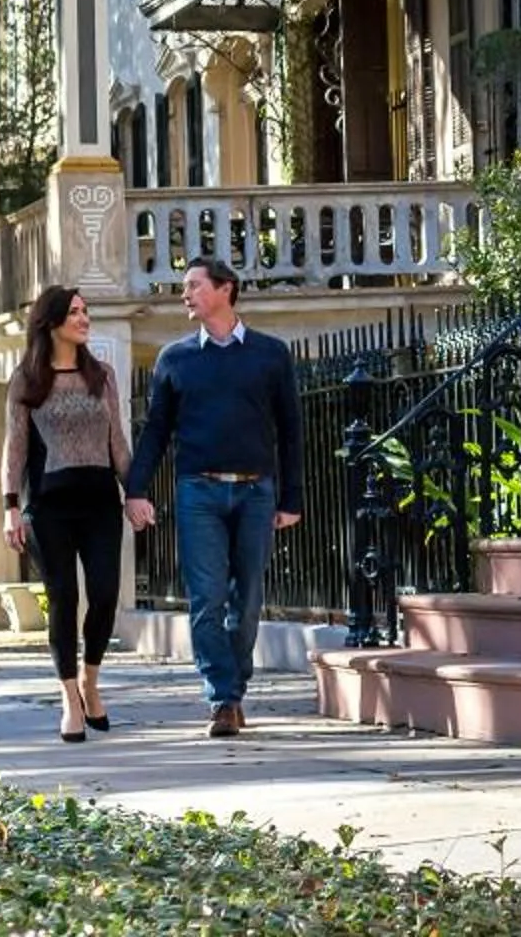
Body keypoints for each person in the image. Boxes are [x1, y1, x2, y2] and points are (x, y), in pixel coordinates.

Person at [123, 256, 303, 738]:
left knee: (247, 600)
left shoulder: (270, 354)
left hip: (256, 491)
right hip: (197, 491)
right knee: (206, 600)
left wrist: (292, 499)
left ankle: (234, 689)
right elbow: (155, 431)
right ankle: (223, 699)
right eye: (184, 287)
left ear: (226, 289)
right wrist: (135, 489)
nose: (185, 294)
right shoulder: (174, 359)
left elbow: (290, 432)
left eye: (194, 285)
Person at [0, 285, 128, 743]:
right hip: (48, 507)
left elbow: (118, 443)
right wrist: (11, 507)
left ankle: (92, 681)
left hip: (99, 503)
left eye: (85, 311)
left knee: (105, 593)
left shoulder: (103, 376)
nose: (83, 318)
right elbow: (14, 449)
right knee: (64, 598)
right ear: (51, 322)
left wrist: (134, 492)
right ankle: (70, 698)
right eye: (74, 312)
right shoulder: (28, 380)